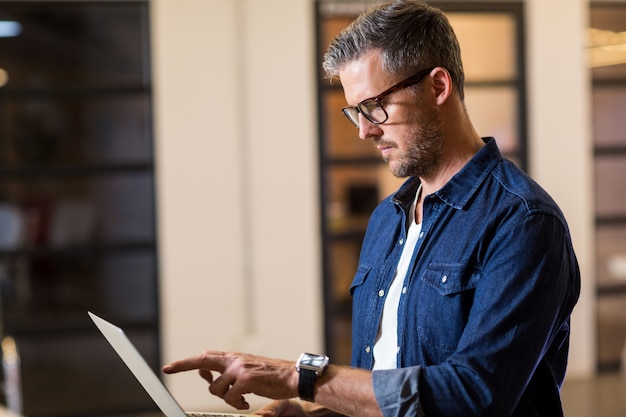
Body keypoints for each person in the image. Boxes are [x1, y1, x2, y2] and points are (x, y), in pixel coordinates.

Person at [162, 1, 581, 416]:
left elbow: (474, 396)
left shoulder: (523, 222)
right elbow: (384, 385)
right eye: (355, 112)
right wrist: (307, 413)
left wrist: (302, 376)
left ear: (438, 86)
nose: (364, 131)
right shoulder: (387, 220)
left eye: (374, 106)